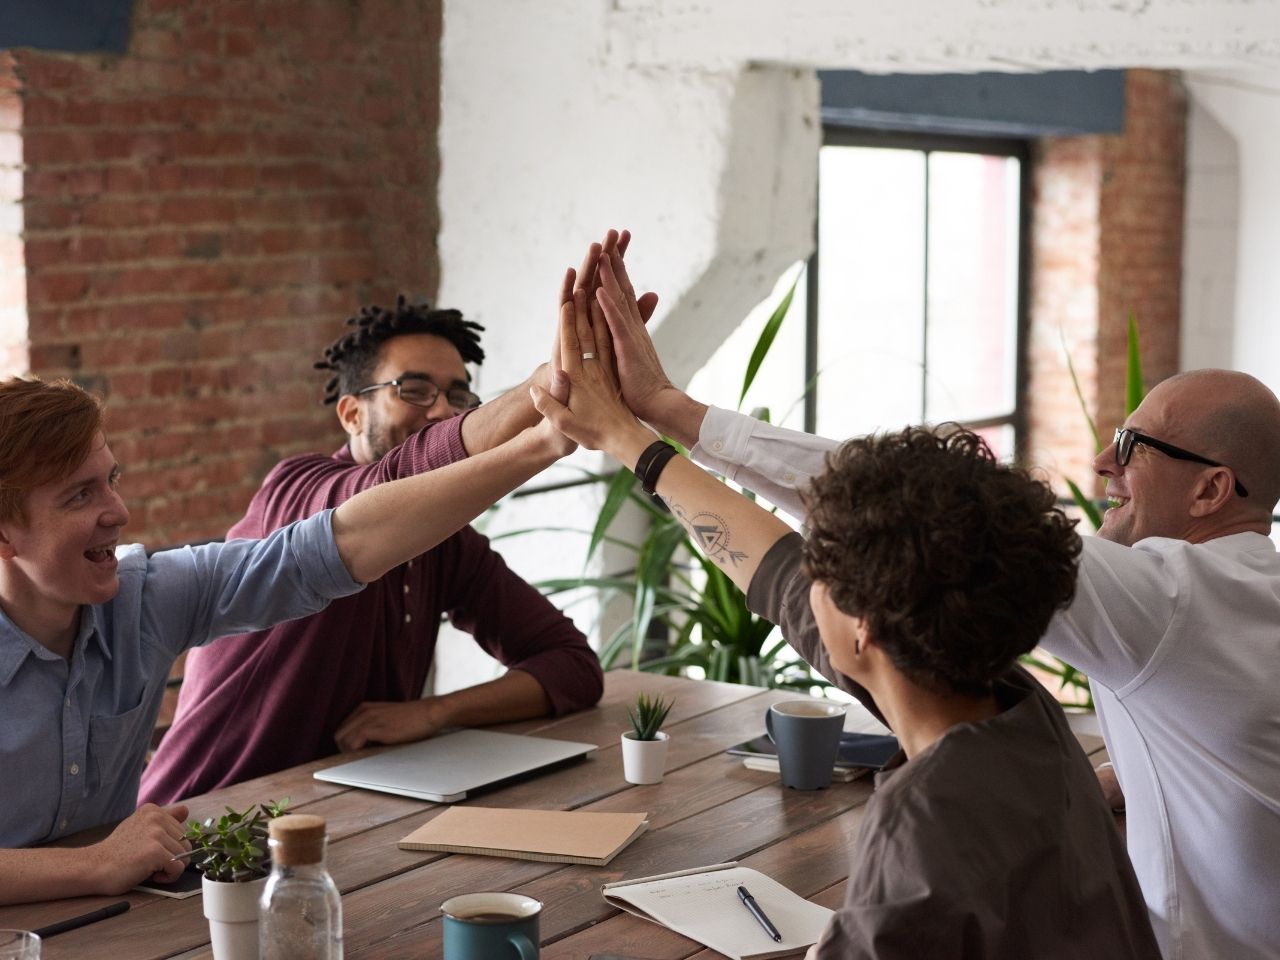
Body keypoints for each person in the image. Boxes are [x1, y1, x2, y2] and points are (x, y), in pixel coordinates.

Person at [588, 248, 1280, 960]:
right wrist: (1118, 783)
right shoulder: (1036, 722)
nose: (1104, 463)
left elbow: (899, 514)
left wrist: (658, 424)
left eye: (1133, 446)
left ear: (1211, 490)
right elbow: (819, 565)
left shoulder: (1172, 604)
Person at [0, 372, 573, 905]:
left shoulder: (144, 600)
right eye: (80, 495)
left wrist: (544, 442)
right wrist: (97, 864)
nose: (118, 512)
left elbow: (336, 545)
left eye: (112, 480)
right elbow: (103, 862)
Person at [141, 234, 657, 802]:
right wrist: (546, 390)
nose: (440, 408)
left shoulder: (446, 543)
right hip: (203, 828)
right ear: (351, 412)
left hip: (348, 818)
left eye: (459, 395)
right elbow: (397, 481)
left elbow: (573, 667)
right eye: (413, 389)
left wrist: (434, 712)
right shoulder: (296, 491)